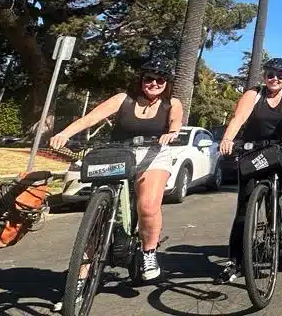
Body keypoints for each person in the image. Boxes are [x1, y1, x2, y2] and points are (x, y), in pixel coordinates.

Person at [50, 57, 183, 281]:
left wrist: (172, 133)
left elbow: (175, 122)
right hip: (119, 152)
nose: (154, 84)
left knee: (148, 206)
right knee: (97, 214)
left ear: (166, 83)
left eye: (160, 80)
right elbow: (92, 117)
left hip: (153, 154)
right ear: (141, 80)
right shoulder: (124, 99)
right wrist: (65, 133)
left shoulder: (172, 104)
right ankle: (81, 273)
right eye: (149, 79)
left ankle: (149, 252)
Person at [215, 57, 282, 282]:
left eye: (280, 75)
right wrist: (228, 138)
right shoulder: (253, 94)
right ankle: (234, 263)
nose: (274, 78)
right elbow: (239, 118)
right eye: (270, 74)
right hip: (255, 150)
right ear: (264, 76)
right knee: (244, 207)